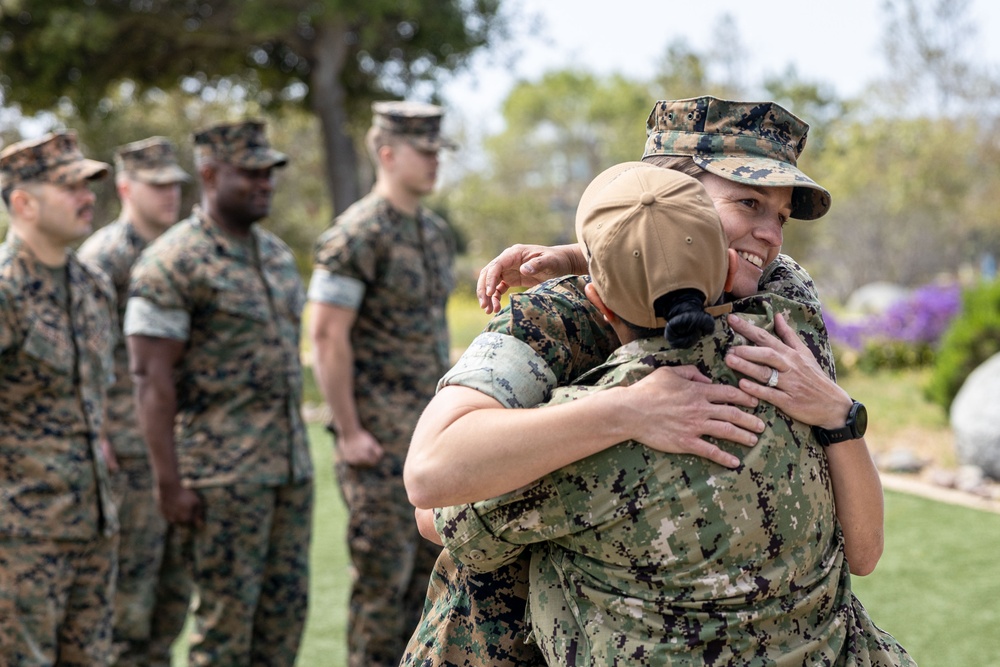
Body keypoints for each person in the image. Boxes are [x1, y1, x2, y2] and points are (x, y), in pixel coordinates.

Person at [402, 97, 884, 665]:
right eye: (748, 202)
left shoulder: (777, 304)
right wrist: (627, 410)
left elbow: (864, 548)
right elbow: (433, 481)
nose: (770, 235)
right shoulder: (554, 316)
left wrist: (840, 414)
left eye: (778, 216)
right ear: (675, 195)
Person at [124, 120, 313, 666]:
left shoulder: (275, 256)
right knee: (225, 632)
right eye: (250, 173)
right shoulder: (170, 261)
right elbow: (148, 379)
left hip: (288, 471)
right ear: (209, 174)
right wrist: (168, 482)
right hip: (221, 480)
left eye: (269, 172)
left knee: (283, 626)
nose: (264, 184)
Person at [307, 100, 457, 667]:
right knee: (380, 591)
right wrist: (347, 431)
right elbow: (326, 337)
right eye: (425, 152)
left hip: (431, 441)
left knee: (434, 590)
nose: (434, 163)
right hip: (377, 443)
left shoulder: (434, 233)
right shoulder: (355, 235)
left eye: (438, 152)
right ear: (387, 153)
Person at [0, 131, 119, 665]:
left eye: (87, 184)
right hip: (18, 536)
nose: (87, 196)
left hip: (93, 526)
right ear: (22, 202)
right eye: (70, 185)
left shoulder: (93, 285)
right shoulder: (5, 290)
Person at [77, 136, 193, 667]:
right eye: (157, 185)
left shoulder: (181, 252)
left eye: (175, 184)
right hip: (125, 453)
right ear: (126, 187)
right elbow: (87, 360)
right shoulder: (104, 257)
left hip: (176, 447)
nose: (170, 194)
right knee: (128, 605)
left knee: (170, 603)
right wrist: (97, 435)